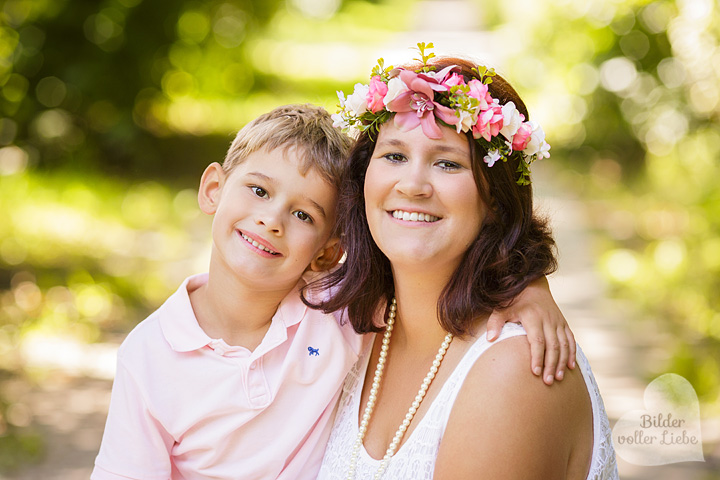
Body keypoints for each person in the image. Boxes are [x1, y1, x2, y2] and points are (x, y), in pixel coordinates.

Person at [91, 104, 575, 480]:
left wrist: (529, 287)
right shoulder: (149, 356)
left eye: (304, 216)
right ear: (214, 188)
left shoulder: (336, 307)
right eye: (258, 191)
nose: (271, 220)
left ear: (327, 251)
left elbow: (438, 269)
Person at [313, 46, 619, 479]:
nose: (413, 185)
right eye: (395, 156)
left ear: (494, 198)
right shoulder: (347, 329)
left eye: (447, 163)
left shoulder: (515, 370)